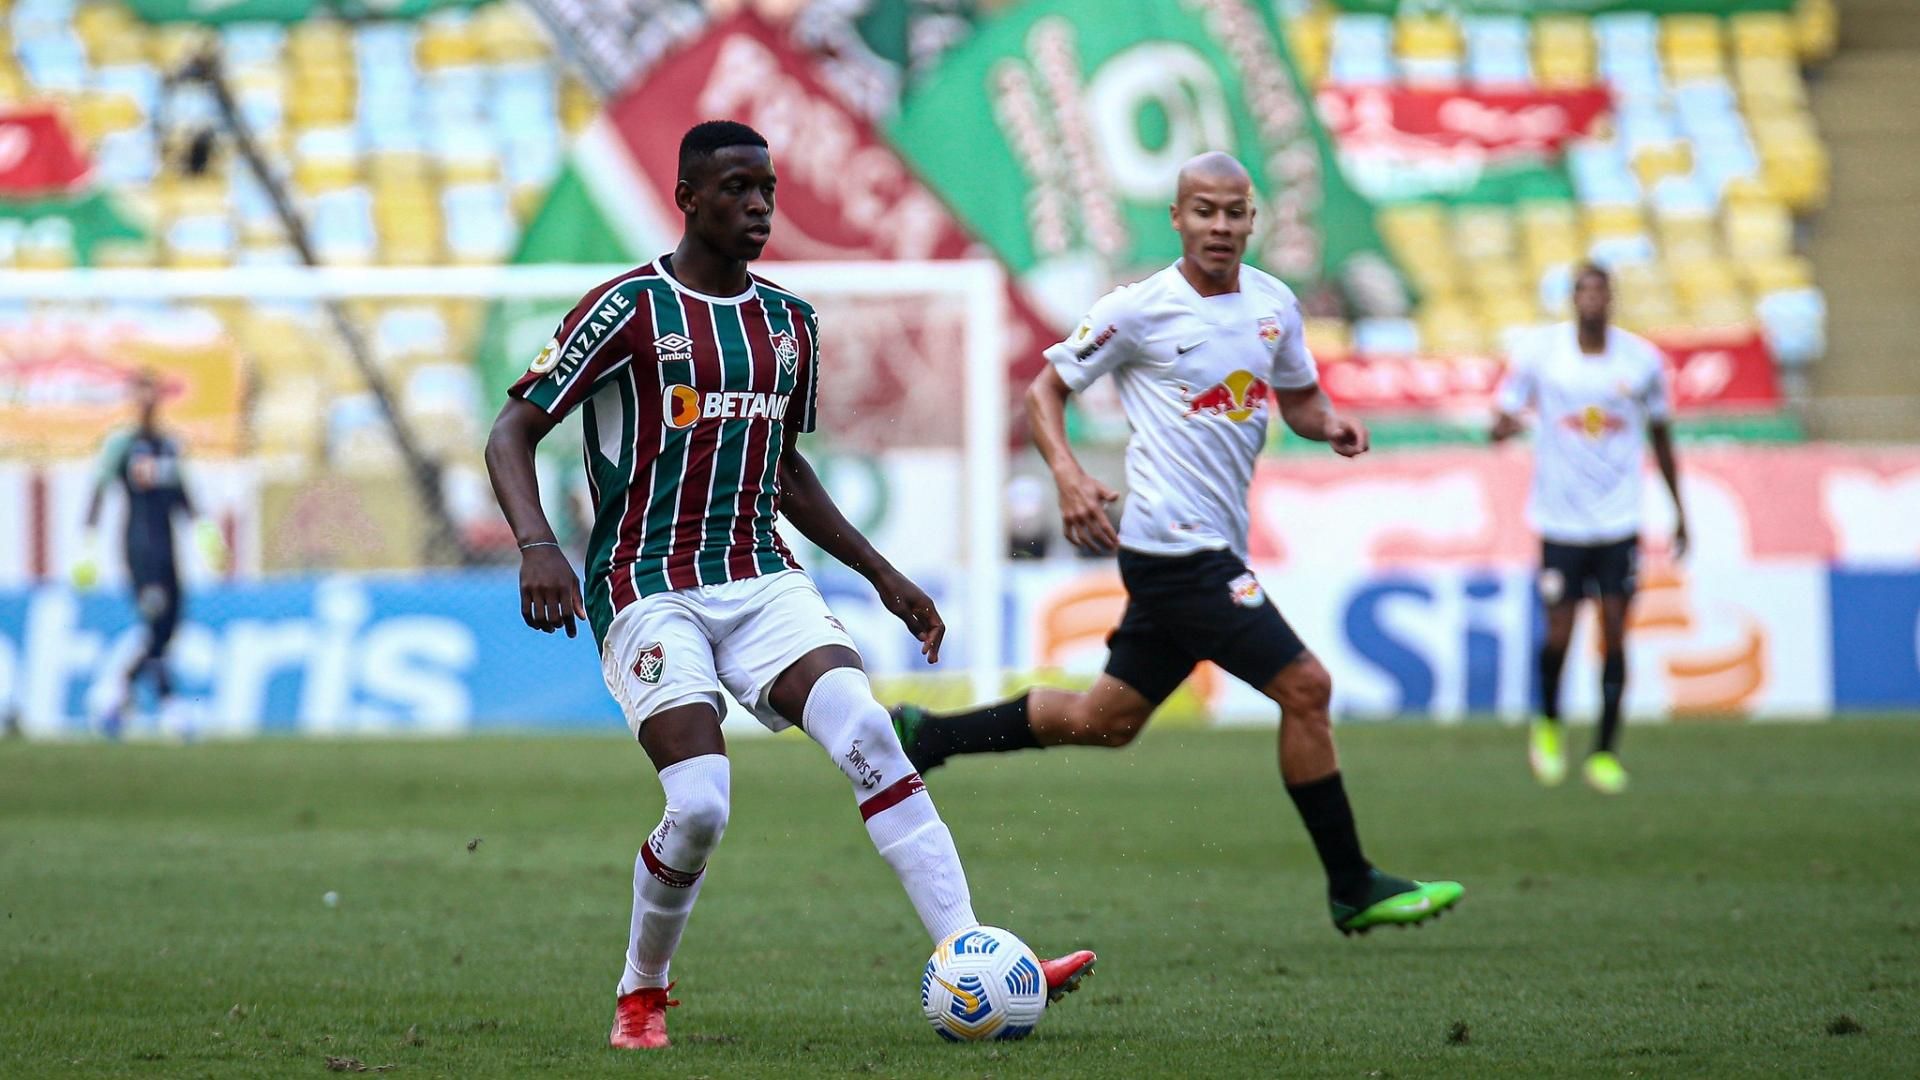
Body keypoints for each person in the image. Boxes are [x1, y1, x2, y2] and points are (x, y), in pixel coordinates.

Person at [483, 121, 1094, 1051]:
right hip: (646, 584)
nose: (760, 204)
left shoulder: (789, 323)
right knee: (699, 807)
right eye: (736, 188)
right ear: (688, 198)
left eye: (767, 188)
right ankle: (642, 990)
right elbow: (511, 431)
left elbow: (784, 471)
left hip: (759, 575)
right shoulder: (626, 310)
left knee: (871, 733)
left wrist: (883, 576)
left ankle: (974, 955)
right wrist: (536, 543)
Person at [891, 152, 1463, 936]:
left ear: (1252, 219)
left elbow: (1297, 398)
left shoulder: (1273, 306)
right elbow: (1044, 392)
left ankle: (931, 735)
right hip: (1174, 551)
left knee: (1107, 719)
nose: (1219, 226)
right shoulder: (1138, 308)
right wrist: (1067, 477)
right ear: (1176, 217)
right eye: (1203, 210)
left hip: (1212, 546)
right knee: (1307, 688)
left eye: (1233, 212)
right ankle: (1352, 884)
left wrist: (1329, 424)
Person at [1490, 263, 1687, 795]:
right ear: (1572, 300)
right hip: (1560, 520)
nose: (1592, 299)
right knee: (1559, 635)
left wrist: (1679, 510)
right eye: (1583, 290)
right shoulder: (1541, 354)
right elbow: (1501, 417)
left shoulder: (1640, 360)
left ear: (1612, 299)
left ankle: (1604, 751)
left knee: (1616, 635)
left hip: (1620, 521)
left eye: (1601, 290)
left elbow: (1662, 437)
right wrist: (1503, 426)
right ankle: (1550, 725)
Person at [74, 369, 225, 737]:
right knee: (156, 621)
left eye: (151, 394)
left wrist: (206, 534)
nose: (147, 401)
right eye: (140, 394)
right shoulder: (121, 445)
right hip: (138, 547)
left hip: (168, 548)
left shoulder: (170, 445)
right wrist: (87, 546)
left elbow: (184, 497)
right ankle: (171, 707)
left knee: (171, 624)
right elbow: (99, 491)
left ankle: (115, 691)